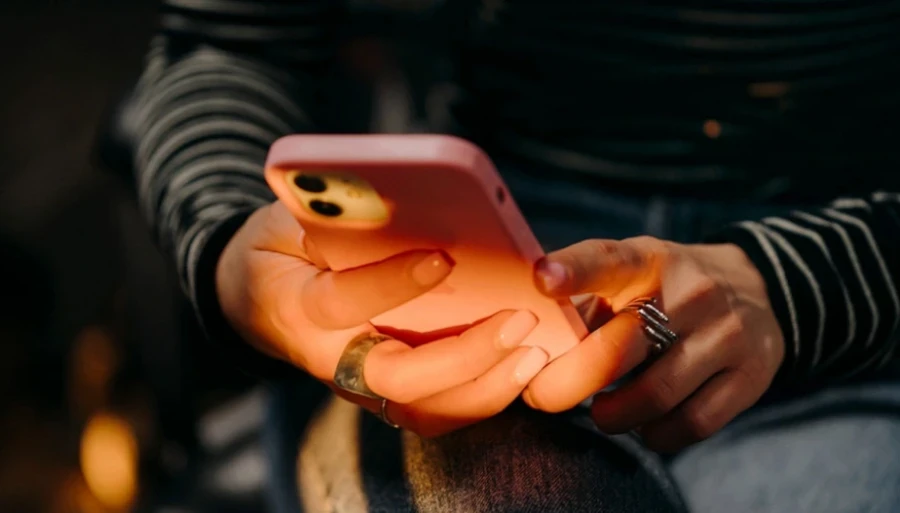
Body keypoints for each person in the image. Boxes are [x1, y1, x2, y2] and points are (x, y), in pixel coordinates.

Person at [128, 1, 900, 512]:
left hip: (847, 317)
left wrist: (792, 284)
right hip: (471, 270)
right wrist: (232, 254)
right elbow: (228, 45)